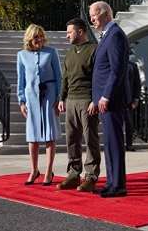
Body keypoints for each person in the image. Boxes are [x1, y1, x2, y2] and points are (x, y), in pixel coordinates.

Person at [89, 1, 130, 198]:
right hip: (104, 100)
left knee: (114, 142)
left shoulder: (115, 36)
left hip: (111, 100)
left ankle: (118, 185)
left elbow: (116, 70)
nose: (91, 19)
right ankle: (112, 182)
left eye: (94, 15)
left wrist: (105, 95)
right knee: (109, 142)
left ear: (105, 14)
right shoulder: (107, 35)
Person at [57, 18, 101, 192]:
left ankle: (91, 176)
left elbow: (98, 78)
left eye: (70, 32)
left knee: (90, 139)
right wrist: (62, 98)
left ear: (81, 32)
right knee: (71, 139)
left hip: (87, 100)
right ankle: (74, 174)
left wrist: (95, 100)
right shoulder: (69, 53)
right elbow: (65, 78)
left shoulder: (94, 50)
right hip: (71, 101)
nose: (67, 36)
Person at [17, 24, 62, 186]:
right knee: (33, 136)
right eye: (36, 37)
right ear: (30, 38)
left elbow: (59, 77)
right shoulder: (21, 55)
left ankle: (49, 171)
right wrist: (21, 100)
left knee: (49, 134)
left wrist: (59, 98)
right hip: (31, 97)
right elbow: (20, 80)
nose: (40, 39)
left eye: (41, 36)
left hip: (49, 95)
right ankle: (34, 170)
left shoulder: (51, 52)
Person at [124, 54, 142, 151]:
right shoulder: (113, 64)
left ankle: (129, 144)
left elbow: (137, 83)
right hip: (116, 100)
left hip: (129, 100)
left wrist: (136, 98)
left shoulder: (132, 66)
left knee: (129, 124)